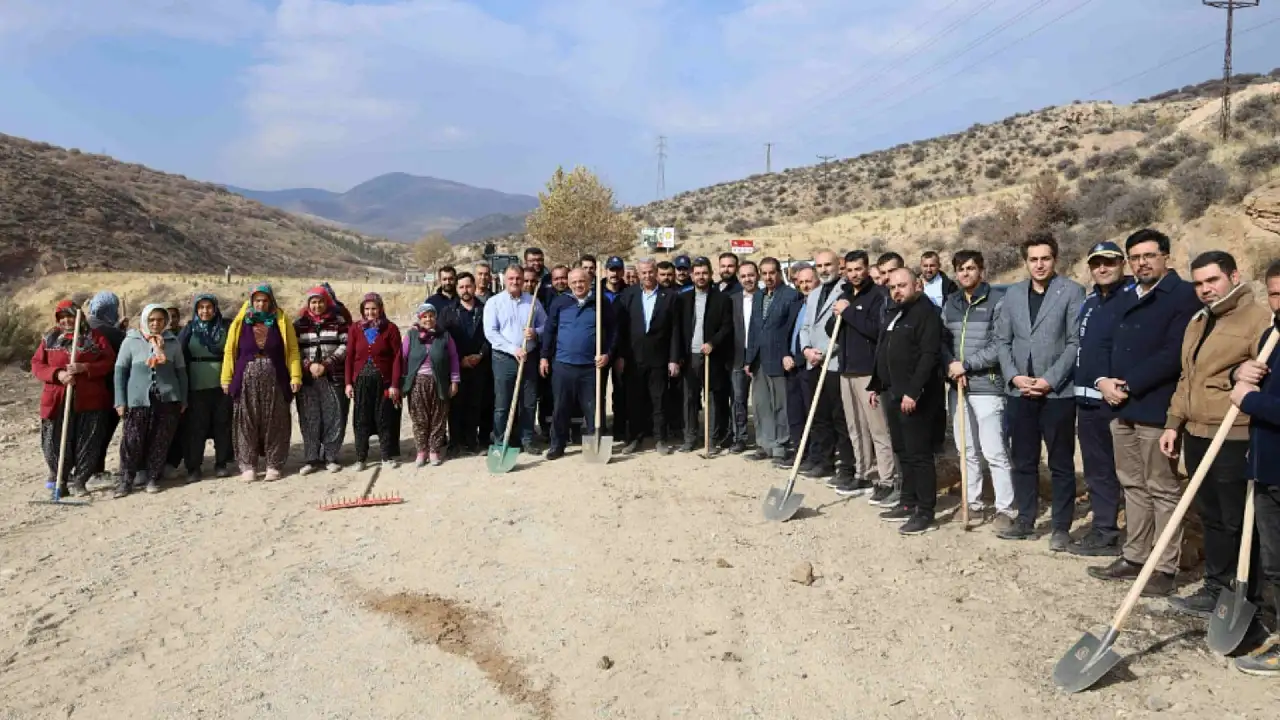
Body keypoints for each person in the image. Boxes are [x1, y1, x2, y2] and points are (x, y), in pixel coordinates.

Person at [1084, 231, 1198, 593]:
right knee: (1132, 484)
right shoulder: (1127, 294)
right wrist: (1102, 379)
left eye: (1149, 255)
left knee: (1161, 487)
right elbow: (1102, 341)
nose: (1141, 263)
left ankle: (1164, 567)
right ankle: (1135, 555)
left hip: (1155, 406)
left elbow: (1172, 353)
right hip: (1119, 406)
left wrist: (1128, 384)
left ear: (1166, 256)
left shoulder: (1181, 296)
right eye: (1135, 257)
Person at [1160, 251, 1274, 613]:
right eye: (1199, 283)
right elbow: (1187, 377)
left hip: (1233, 433)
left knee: (1237, 519)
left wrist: (1239, 374)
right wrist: (1173, 423)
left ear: (1234, 276)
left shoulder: (1259, 319)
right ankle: (1214, 585)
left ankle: (1248, 595)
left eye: (1213, 280)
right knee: (1210, 515)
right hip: (1197, 431)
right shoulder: (1199, 320)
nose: (1206, 289)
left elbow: (1265, 375)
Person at [994, 232, 1086, 549]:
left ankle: (1061, 526)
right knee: (1023, 460)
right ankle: (1025, 519)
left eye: (1045, 258)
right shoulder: (1013, 294)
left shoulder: (1072, 292)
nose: (1039, 264)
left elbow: (1075, 342)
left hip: (1057, 393)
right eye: (1033, 259)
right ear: (1025, 262)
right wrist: (1014, 377)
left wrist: (1049, 379)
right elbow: (1003, 342)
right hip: (1020, 392)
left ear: (1055, 259)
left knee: (1060, 462)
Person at [1228, 259, 1280, 675]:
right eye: (1275, 293)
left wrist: (1248, 400)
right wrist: (1237, 372)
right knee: (1273, 562)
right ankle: (1272, 629)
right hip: (1265, 464)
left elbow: (1259, 400)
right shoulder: (1272, 335)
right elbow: (1250, 377)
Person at [1068, 241, 1135, 557]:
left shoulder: (1133, 298)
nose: (1102, 269)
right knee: (1097, 470)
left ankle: (1136, 540)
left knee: (1128, 474)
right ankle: (1104, 532)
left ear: (1122, 263)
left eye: (1109, 262)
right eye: (1096, 264)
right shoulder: (1090, 301)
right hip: (1086, 401)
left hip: (1117, 401)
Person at [940, 250, 1014, 528]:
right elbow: (942, 340)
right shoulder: (951, 303)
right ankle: (972, 503)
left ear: (981, 271)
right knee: (966, 449)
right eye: (960, 269)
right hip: (957, 386)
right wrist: (950, 364)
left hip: (987, 386)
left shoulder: (997, 300)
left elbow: (1000, 343)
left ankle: (1006, 508)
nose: (965, 273)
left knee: (994, 450)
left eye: (971, 268)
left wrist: (967, 365)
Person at [868, 268, 945, 535]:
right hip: (892, 392)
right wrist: (876, 384)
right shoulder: (895, 312)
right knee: (902, 451)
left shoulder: (927, 314)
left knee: (919, 455)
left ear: (918, 285)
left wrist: (914, 392)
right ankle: (907, 502)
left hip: (916, 397)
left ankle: (925, 511)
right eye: (892, 287)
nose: (897, 291)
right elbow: (884, 350)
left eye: (902, 285)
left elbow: (928, 356)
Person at [32, 300, 117, 497]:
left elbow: (109, 361)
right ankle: (60, 479)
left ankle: (80, 481)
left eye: (70, 316)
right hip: (57, 399)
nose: (67, 321)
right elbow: (37, 364)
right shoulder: (50, 338)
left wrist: (85, 368)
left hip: (89, 400)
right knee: (53, 441)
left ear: (79, 317)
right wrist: (57, 374)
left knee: (87, 439)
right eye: (63, 317)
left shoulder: (95, 338)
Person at [831, 250, 895, 498]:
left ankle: (887, 479)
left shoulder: (878, 296)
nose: (855, 274)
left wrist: (848, 312)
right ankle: (864, 472)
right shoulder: (845, 294)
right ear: (844, 270)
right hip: (846, 370)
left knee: (878, 428)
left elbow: (875, 330)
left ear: (867, 269)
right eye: (850, 270)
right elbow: (832, 329)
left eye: (859, 269)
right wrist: (838, 313)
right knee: (855, 426)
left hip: (868, 371)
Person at [223, 285, 302, 482]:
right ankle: (248, 465)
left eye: (265, 300)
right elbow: (230, 351)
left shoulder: (281, 320)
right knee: (246, 421)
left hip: (275, 377)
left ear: (271, 301)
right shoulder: (241, 321)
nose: (261, 304)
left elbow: (292, 350)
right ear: (251, 301)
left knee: (276, 421)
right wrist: (226, 378)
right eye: (257, 300)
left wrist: (295, 376)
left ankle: (274, 464)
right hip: (246, 378)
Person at [540, 268, 615, 459]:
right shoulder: (560, 302)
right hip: (563, 365)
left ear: (589, 281)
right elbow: (549, 331)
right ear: (569, 283)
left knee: (592, 409)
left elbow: (614, 332)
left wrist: (607, 354)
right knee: (561, 408)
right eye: (573, 282)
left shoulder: (600, 302)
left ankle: (595, 447)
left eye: (581, 281)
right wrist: (544, 356)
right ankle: (557, 445)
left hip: (590, 367)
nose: (578, 285)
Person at [115, 304, 188, 496]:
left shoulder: (172, 342)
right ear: (145, 320)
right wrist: (120, 401)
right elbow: (120, 372)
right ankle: (126, 480)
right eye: (152, 320)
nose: (156, 324)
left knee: (161, 440)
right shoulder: (131, 341)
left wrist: (183, 398)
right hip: (138, 399)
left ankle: (153, 477)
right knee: (132, 440)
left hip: (167, 399)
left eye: (160, 320)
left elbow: (181, 373)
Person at [615, 258, 682, 454]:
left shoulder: (669, 296)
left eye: (650, 272)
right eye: (643, 272)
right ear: (638, 273)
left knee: (659, 400)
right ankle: (635, 438)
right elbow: (622, 329)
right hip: (634, 358)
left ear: (656, 272)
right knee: (635, 400)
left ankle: (660, 439)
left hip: (659, 358)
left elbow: (675, 330)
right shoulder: (629, 295)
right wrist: (620, 356)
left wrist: (673, 358)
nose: (647, 276)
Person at [797, 250, 854, 480]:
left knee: (839, 417)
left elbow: (845, 330)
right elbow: (805, 328)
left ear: (838, 266)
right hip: (813, 363)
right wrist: (806, 350)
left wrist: (826, 352)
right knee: (819, 416)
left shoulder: (846, 291)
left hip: (834, 362)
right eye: (819, 266)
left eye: (827, 265)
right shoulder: (814, 294)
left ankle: (846, 465)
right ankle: (823, 460)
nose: (823, 270)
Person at [484, 264, 547, 455]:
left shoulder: (533, 302)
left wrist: (535, 332)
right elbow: (491, 333)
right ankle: (501, 440)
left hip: (529, 358)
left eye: (518, 278)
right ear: (505, 279)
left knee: (528, 402)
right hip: (504, 359)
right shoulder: (494, 302)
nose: (515, 282)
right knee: (503, 403)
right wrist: (513, 349)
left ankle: (527, 439)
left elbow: (546, 325)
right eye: (511, 278)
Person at [745, 257, 802, 462]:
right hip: (759, 359)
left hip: (780, 358)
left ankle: (781, 445)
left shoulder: (791, 295)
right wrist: (748, 358)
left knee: (780, 405)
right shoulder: (759, 296)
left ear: (779, 273)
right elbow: (753, 328)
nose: (768, 277)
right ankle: (764, 443)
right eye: (764, 273)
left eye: (772, 273)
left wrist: (788, 354)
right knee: (761, 404)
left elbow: (792, 328)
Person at [676, 257, 733, 454]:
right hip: (689, 356)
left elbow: (727, 326)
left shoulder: (722, 299)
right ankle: (690, 437)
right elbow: (677, 329)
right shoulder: (682, 299)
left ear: (711, 274)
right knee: (689, 398)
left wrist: (712, 343)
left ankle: (711, 440)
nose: (701, 277)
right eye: (697, 273)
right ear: (692, 275)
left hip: (712, 356)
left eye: (704, 273)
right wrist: (677, 356)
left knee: (713, 399)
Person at [293, 286, 350, 475]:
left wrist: (327, 363)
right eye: (313, 302)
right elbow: (294, 349)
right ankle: (311, 458)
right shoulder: (300, 324)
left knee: (334, 416)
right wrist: (308, 365)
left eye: (320, 302)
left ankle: (331, 457)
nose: (317, 306)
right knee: (309, 417)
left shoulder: (338, 322)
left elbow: (346, 345)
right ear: (308, 304)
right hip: (308, 378)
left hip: (332, 376)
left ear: (327, 302)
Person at [178, 294, 234, 481]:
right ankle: (193, 468)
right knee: (196, 428)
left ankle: (221, 463)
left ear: (215, 308)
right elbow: (179, 354)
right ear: (196, 309)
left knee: (222, 425)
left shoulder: (226, 328)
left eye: (209, 307)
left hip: (222, 385)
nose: (205, 311)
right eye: (201, 307)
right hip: (196, 386)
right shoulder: (189, 329)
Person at [345, 292, 404, 469]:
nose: (370, 312)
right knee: (361, 419)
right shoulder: (355, 328)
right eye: (367, 309)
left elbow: (397, 357)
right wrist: (348, 382)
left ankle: (386, 456)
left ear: (381, 309)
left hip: (383, 381)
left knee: (384, 417)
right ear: (363, 310)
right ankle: (361, 458)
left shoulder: (390, 329)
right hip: (361, 381)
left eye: (374, 308)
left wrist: (394, 384)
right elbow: (349, 356)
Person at [403, 303, 459, 467]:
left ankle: (434, 451)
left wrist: (454, 381)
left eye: (431, 316)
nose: (428, 319)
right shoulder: (411, 335)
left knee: (438, 417)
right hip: (418, 383)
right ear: (419, 319)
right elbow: (403, 357)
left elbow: (454, 358)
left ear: (436, 317)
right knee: (419, 418)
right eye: (424, 316)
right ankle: (421, 451)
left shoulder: (444, 336)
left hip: (439, 382)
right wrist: (401, 381)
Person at [439, 272, 490, 455]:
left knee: (475, 404)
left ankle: (472, 441)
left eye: (468, 286)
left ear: (474, 287)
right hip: (457, 366)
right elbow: (443, 338)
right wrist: (460, 359)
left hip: (479, 365)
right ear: (457, 289)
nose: (465, 290)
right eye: (461, 287)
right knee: (456, 406)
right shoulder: (447, 312)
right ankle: (455, 443)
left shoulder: (485, 309)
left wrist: (481, 355)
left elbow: (491, 335)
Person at [776, 263, 817, 469]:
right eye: (800, 282)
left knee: (812, 412)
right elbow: (785, 333)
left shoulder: (819, 305)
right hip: (791, 366)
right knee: (795, 413)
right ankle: (799, 451)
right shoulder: (796, 304)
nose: (804, 285)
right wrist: (784, 354)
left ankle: (814, 456)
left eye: (808, 281)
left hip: (809, 366)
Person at [85, 291, 126, 483]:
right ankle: (95, 470)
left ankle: (84, 468)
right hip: (107, 388)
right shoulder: (109, 332)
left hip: (88, 387)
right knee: (102, 429)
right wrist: (121, 332)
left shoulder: (87, 326)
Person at [727, 261, 758, 453]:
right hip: (738, 356)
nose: (748, 279)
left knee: (762, 401)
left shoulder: (766, 297)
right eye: (744, 276)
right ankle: (740, 437)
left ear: (757, 276)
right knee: (738, 400)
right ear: (739, 278)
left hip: (761, 357)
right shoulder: (733, 300)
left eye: (751, 275)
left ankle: (764, 438)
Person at [602, 256, 629, 441]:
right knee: (598, 391)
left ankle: (619, 428)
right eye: (612, 269)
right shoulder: (596, 292)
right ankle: (600, 428)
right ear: (606, 271)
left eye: (618, 270)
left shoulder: (629, 293)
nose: (614, 273)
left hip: (621, 351)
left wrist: (623, 354)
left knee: (620, 391)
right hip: (601, 351)